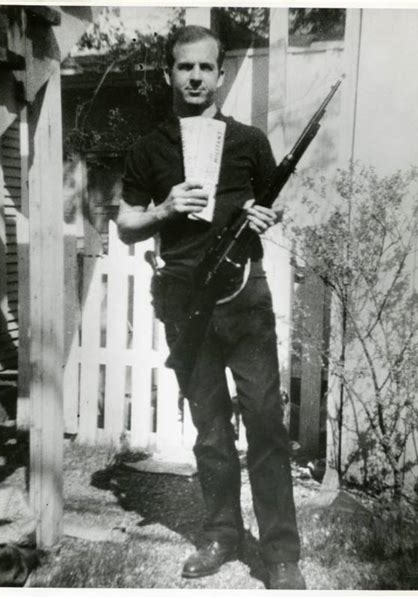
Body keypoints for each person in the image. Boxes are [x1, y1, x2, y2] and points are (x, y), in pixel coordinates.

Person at [117, 25, 305, 590]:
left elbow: (273, 205)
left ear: (220, 75)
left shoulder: (248, 141)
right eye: (184, 67)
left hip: (244, 300)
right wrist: (163, 209)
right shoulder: (150, 146)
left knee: (267, 425)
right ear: (168, 73)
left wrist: (265, 216)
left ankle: (279, 553)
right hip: (183, 303)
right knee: (210, 431)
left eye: (205, 67)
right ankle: (222, 534)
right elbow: (126, 223)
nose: (195, 77)